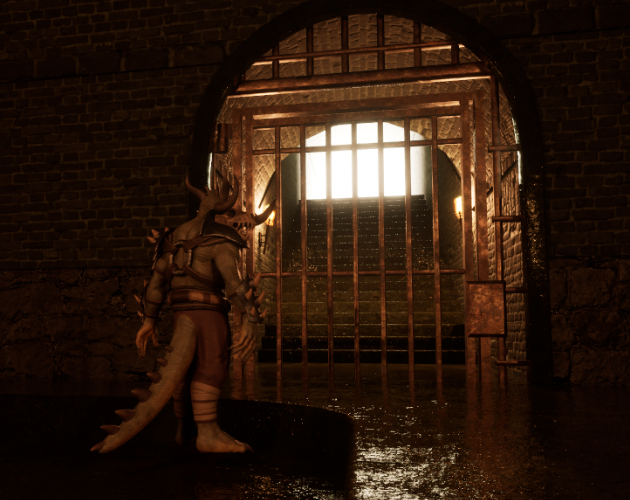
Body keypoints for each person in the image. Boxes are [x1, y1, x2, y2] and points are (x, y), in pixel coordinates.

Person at [91, 175, 273, 454]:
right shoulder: (221, 239)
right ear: (219, 211)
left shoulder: (172, 238)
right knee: (212, 366)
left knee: (184, 371)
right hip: (209, 314)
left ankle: (184, 428)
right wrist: (251, 319)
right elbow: (234, 284)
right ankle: (207, 432)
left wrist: (149, 321)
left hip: (181, 312)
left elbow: (156, 284)